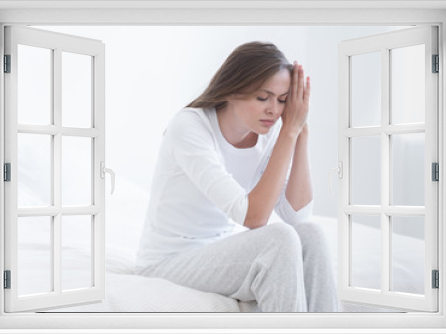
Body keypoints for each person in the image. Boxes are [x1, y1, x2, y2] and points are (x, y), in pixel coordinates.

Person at [134, 41, 337, 312]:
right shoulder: (190, 127)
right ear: (232, 90)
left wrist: (300, 133)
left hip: (220, 252)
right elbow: (253, 217)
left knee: (311, 233)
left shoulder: (269, 132)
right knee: (278, 240)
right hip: (167, 262)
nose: (274, 110)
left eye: (282, 100)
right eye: (263, 98)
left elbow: (297, 216)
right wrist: (288, 133)